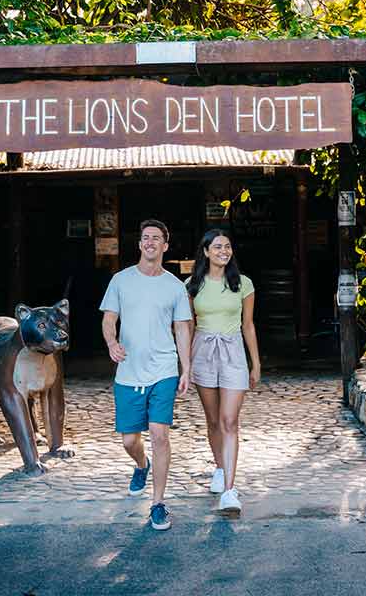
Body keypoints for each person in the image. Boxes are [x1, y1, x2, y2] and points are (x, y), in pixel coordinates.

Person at [100, 219, 191, 531]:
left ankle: (158, 503)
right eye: (145, 238)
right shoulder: (121, 281)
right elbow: (109, 319)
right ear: (139, 245)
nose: (150, 242)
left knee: (160, 435)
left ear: (165, 246)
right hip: (129, 372)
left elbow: (182, 329)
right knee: (129, 440)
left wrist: (186, 368)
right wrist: (112, 343)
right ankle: (141, 464)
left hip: (164, 369)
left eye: (157, 238)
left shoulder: (175, 287)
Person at [186, 228, 260, 515]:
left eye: (227, 247)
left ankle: (230, 490)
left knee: (230, 421)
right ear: (205, 252)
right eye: (217, 247)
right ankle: (219, 467)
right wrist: (186, 363)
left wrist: (256, 363)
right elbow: (188, 326)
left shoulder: (243, 284)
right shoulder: (191, 285)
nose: (223, 252)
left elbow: (248, 325)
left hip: (233, 353)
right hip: (203, 351)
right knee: (214, 420)